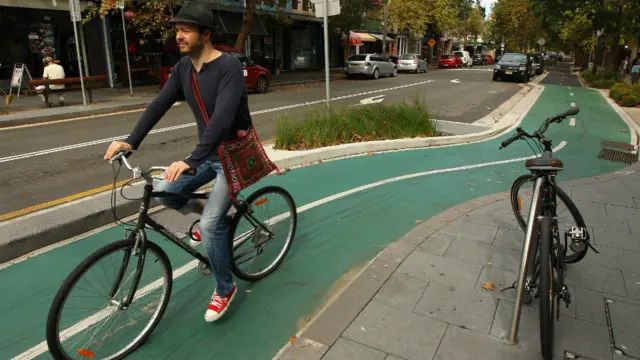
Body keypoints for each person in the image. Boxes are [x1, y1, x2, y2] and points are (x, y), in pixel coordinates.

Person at [103, 1, 251, 322]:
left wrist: (191, 160)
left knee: (210, 226)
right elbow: (158, 105)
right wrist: (131, 140)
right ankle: (213, 218)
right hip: (207, 153)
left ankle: (225, 287)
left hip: (232, 155)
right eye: (177, 30)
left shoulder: (229, 69)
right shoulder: (183, 69)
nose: (179, 36)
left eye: (185, 30)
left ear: (205, 35)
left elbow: (222, 120)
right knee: (165, 191)